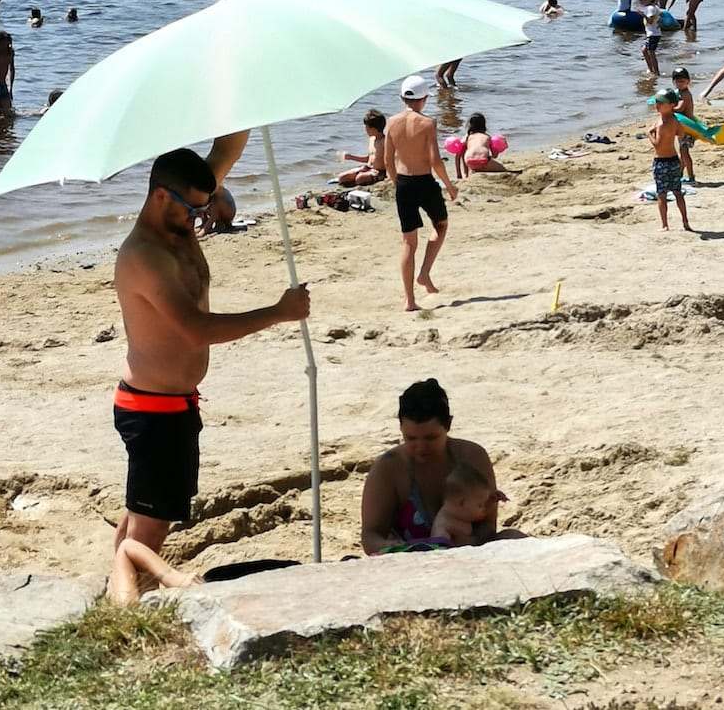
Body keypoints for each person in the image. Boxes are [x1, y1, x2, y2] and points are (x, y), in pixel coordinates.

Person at [111, 147, 311, 559]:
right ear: (161, 197)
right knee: (149, 532)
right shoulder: (145, 255)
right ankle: (127, 606)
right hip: (152, 411)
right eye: (192, 208)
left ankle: (114, 590)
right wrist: (277, 313)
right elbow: (195, 330)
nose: (200, 217)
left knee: (141, 516)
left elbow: (229, 147)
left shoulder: (181, 215)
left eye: (207, 206)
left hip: (173, 405)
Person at [360, 378, 515, 554]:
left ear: (448, 424)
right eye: (411, 438)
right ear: (401, 427)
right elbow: (371, 535)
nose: (420, 448)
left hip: (470, 554)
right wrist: (393, 548)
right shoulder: (388, 468)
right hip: (411, 563)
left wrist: (460, 548)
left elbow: (487, 524)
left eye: (430, 438)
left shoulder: (472, 457)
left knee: (515, 537)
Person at [384, 75, 458, 311]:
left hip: (404, 183)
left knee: (408, 243)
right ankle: (424, 272)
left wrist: (398, 183)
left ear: (401, 98)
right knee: (441, 224)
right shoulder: (427, 124)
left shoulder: (392, 123)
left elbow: (388, 162)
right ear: (425, 99)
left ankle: (409, 300)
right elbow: (435, 160)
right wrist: (448, 185)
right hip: (425, 181)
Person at [646, 89, 692, 232]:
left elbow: (658, 145)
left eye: (661, 103)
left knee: (662, 194)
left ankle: (665, 225)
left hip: (661, 161)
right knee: (678, 192)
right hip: (674, 160)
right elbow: (681, 133)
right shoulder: (674, 119)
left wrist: (649, 134)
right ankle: (685, 221)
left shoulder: (660, 123)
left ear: (672, 104)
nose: (657, 105)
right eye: (657, 102)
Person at [108, 537, 204, 605]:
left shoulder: (125, 611)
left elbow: (126, 548)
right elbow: (126, 548)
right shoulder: (125, 612)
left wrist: (173, 578)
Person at [430, 463, 495, 546]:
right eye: (480, 505)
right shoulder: (444, 522)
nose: (483, 509)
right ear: (461, 502)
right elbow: (439, 547)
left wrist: (491, 502)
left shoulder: (456, 515)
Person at [338, 108, 387, 187]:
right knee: (342, 177)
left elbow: (390, 161)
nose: (365, 130)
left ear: (373, 129)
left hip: (379, 172)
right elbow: (368, 159)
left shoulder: (384, 141)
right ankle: (358, 177)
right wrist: (351, 157)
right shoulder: (371, 140)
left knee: (359, 178)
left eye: (367, 128)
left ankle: (362, 179)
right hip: (367, 168)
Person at [672, 67, 697, 183]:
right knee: (683, 152)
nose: (679, 84)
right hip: (684, 127)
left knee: (684, 152)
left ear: (688, 81)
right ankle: (680, 174)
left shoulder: (685, 94)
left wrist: (668, 107)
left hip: (687, 128)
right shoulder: (680, 92)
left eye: (682, 81)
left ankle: (691, 176)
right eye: (677, 82)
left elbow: (680, 108)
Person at [638, 0, 661, 76]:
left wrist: (643, 15)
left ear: (650, 0)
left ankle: (656, 72)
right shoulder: (652, 7)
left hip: (653, 34)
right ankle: (651, 69)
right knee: (644, 50)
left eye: (643, 0)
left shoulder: (650, 8)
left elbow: (650, 21)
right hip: (653, 33)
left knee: (651, 52)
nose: (641, 1)